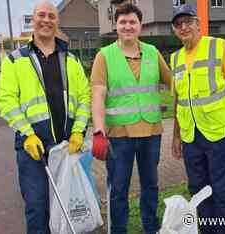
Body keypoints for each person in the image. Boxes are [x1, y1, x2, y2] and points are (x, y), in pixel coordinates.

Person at [0, 1, 90, 233]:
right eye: (41, 15)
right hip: (33, 150)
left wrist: (78, 130)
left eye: (51, 16)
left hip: (66, 147)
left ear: (57, 22)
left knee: (68, 206)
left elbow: (84, 98)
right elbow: (5, 100)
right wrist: (27, 135)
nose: (46, 20)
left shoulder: (72, 60)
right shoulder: (16, 60)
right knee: (38, 208)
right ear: (33, 20)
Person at [90, 3, 171, 234]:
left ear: (140, 26)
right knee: (118, 188)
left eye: (132, 22)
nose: (127, 26)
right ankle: (119, 229)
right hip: (119, 137)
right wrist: (98, 130)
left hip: (151, 133)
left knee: (151, 186)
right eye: (123, 22)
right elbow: (97, 94)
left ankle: (150, 226)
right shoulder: (104, 56)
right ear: (116, 26)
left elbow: (173, 82)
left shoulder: (152, 52)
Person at [170, 4, 225, 234]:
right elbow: (179, 101)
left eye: (188, 22)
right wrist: (176, 137)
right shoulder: (175, 59)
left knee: (224, 193)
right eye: (178, 24)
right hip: (191, 138)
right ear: (175, 30)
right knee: (199, 192)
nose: (183, 27)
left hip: (220, 136)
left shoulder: (218, 46)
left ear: (198, 24)